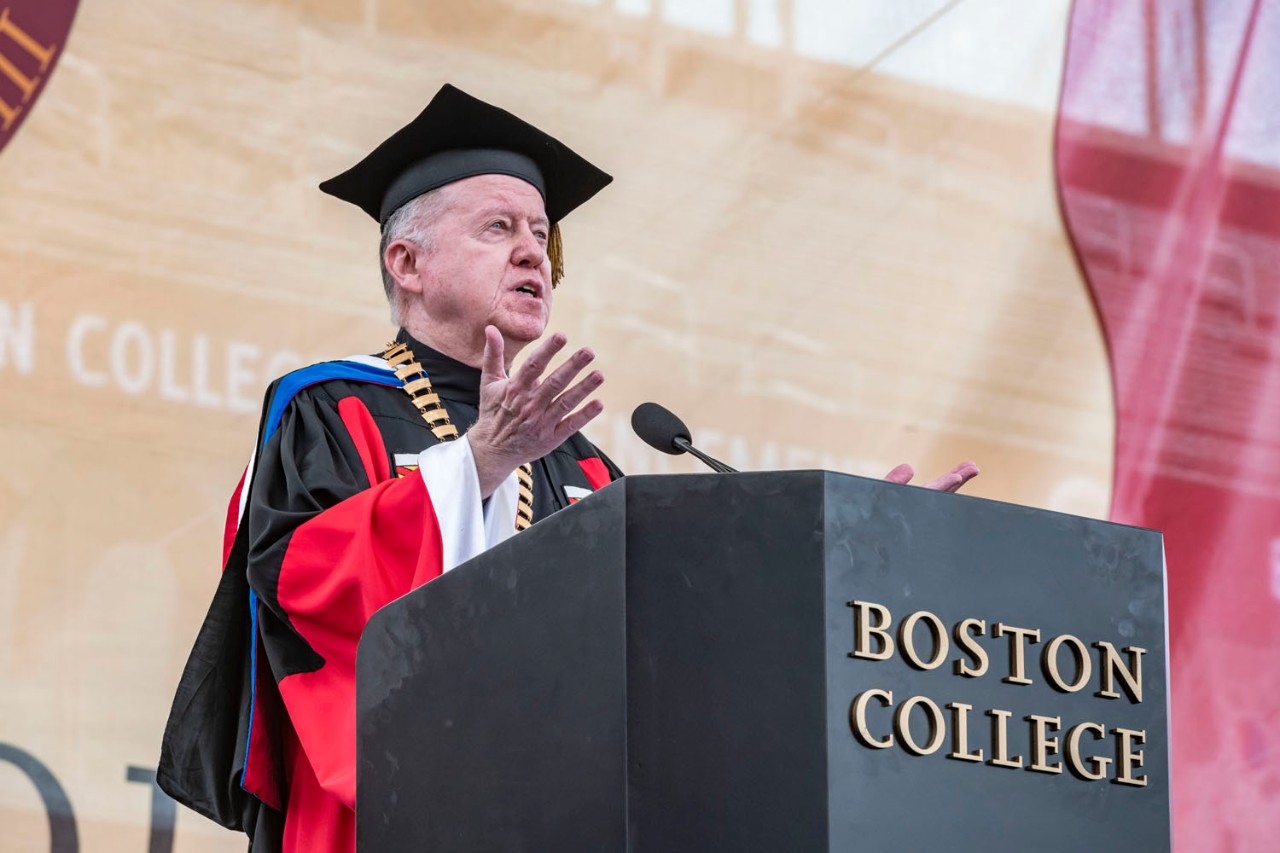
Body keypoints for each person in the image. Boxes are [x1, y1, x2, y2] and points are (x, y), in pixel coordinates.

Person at [158, 84, 622, 853]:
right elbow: (302, 583)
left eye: (540, 232)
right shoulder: (330, 409)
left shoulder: (581, 461)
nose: (534, 251)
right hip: (383, 809)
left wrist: (810, 564)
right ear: (406, 262)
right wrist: (476, 464)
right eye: (498, 226)